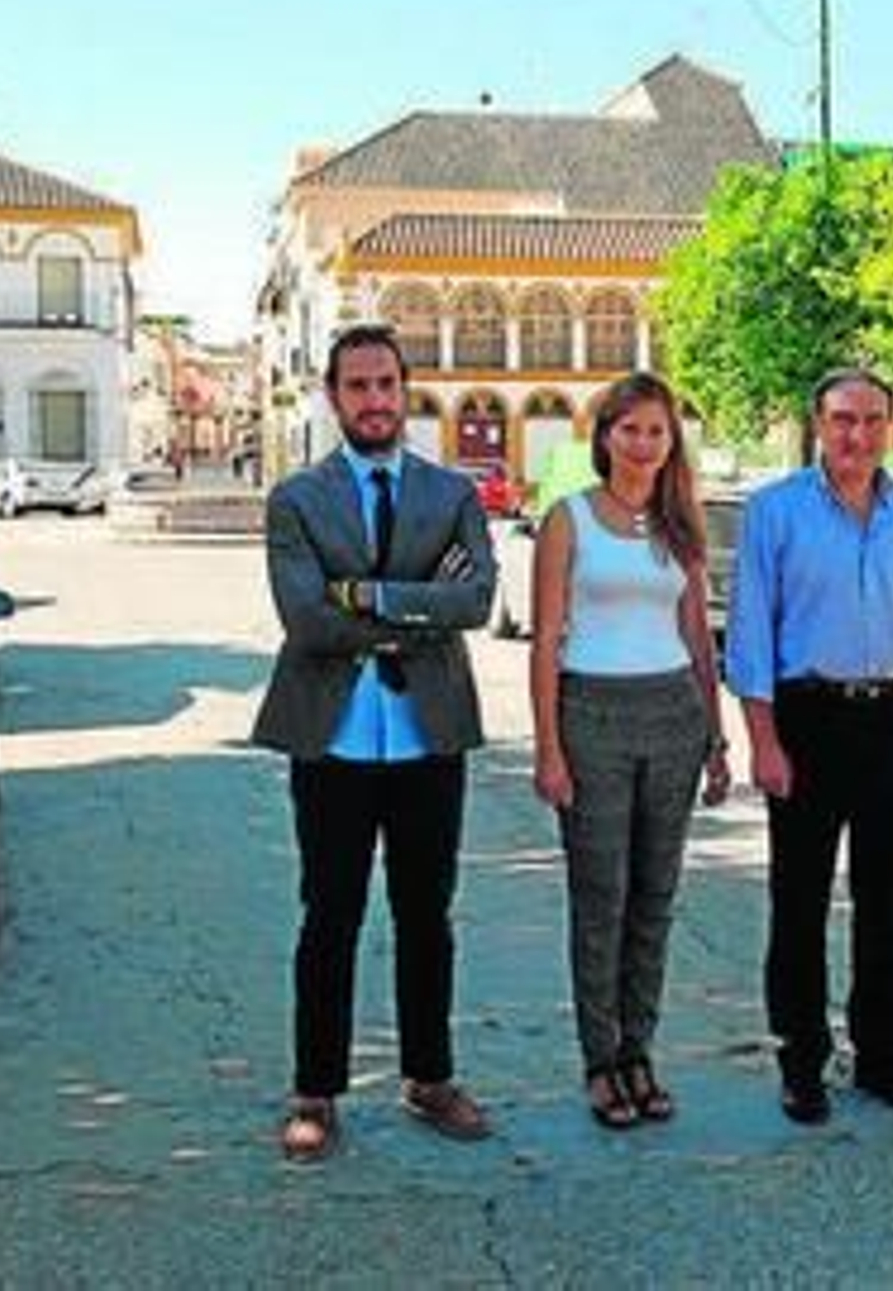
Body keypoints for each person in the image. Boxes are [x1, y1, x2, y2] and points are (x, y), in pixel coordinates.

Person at [252, 322, 498, 1160]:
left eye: (386, 383)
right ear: (333, 396)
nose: (374, 400)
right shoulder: (297, 499)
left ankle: (430, 1078)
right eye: (357, 386)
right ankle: (315, 1091)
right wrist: (418, 603)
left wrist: (363, 594)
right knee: (330, 916)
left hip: (430, 737)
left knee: (428, 916)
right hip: (334, 739)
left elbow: (476, 602)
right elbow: (306, 618)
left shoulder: (452, 494)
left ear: (405, 387)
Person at [725, 368, 893, 1124]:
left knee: (884, 900)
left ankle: (884, 1056)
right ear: (819, 424)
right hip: (808, 720)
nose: (858, 435)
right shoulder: (775, 510)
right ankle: (801, 1062)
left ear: (890, 426)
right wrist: (763, 741)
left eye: (872, 420)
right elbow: (752, 631)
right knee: (800, 899)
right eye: (843, 420)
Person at [530, 373, 730, 1129]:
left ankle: (639, 1050)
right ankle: (600, 1060)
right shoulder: (569, 519)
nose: (644, 444)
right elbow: (546, 640)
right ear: (605, 435)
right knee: (600, 898)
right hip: (592, 717)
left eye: (657, 431)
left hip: (673, 715)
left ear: (672, 441)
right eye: (630, 429)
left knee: (655, 895)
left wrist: (715, 736)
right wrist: (549, 748)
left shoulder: (680, 524)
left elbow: (697, 636)